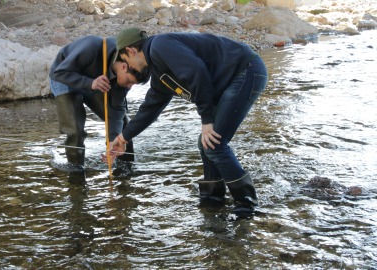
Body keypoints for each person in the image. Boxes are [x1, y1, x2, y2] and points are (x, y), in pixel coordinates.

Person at [108, 28, 268, 216]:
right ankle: (213, 198)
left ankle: (247, 204)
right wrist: (123, 137)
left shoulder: (160, 46)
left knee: (214, 144)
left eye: (127, 63)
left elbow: (197, 72)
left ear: (131, 51)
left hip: (245, 70)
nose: (131, 69)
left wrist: (206, 119)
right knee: (206, 143)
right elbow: (150, 108)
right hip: (231, 81)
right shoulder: (159, 72)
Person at [49, 35, 144, 171]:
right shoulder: (91, 47)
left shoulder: (124, 79)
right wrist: (90, 83)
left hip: (97, 80)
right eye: (129, 81)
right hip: (64, 77)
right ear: (124, 67)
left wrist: (113, 143)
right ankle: (76, 173)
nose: (129, 87)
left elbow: (115, 114)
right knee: (75, 129)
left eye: (133, 84)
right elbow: (60, 73)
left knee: (123, 125)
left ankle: (126, 170)